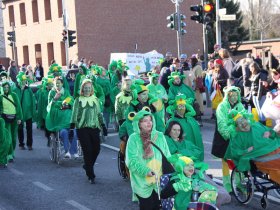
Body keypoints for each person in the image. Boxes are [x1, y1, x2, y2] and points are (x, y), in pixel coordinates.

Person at [125, 110, 171, 210]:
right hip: (142, 182)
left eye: (150, 120)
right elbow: (131, 161)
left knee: (158, 207)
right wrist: (145, 171)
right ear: (138, 124)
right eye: (145, 121)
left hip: (159, 181)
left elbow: (167, 156)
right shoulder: (133, 139)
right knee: (147, 207)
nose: (149, 123)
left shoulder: (160, 136)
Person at [70, 79, 107, 184]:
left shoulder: (95, 99)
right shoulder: (78, 100)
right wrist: (72, 126)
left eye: (89, 88)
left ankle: (87, 165)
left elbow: (99, 114)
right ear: (82, 89)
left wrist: (103, 125)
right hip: (82, 128)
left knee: (97, 149)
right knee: (87, 151)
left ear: (91, 89)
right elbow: (74, 113)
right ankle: (91, 174)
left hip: (94, 127)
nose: (87, 89)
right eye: (85, 88)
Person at [211, 86, 246, 193]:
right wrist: (228, 134)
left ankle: (239, 183)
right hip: (224, 138)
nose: (234, 98)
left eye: (236, 96)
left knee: (238, 161)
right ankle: (227, 185)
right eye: (232, 96)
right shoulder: (222, 106)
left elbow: (244, 118)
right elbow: (222, 123)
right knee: (225, 162)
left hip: (237, 137)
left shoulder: (240, 106)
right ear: (228, 96)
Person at [166, 94, 204, 161]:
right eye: (179, 106)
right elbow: (168, 139)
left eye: (183, 106)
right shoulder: (171, 121)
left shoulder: (191, 120)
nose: (182, 108)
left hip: (192, 150)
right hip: (179, 154)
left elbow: (198, 137)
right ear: (175, 107)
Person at [0, 81, 23, 162]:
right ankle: (9, 154)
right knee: (8, 137)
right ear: (2, 88)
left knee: (13, 137)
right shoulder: (1, 97)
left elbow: (18, 107)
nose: (6, 89)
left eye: (7, 87)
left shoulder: (14, 95)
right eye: (4, 87)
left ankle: (12, 152)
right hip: (5, 118)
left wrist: (19, 118)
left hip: (14, 118)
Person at [13, 72, 35, 150]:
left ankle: (29, 144)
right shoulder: (15, 90)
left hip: (28, 112)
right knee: (20, 128)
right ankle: (21, 144)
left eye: (24, 81)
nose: (23, 82)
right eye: (22, 81)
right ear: (19, 81)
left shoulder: (28, 89)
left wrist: (33, 111)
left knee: (29, 129)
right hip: (19, 113)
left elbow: (32, 101)